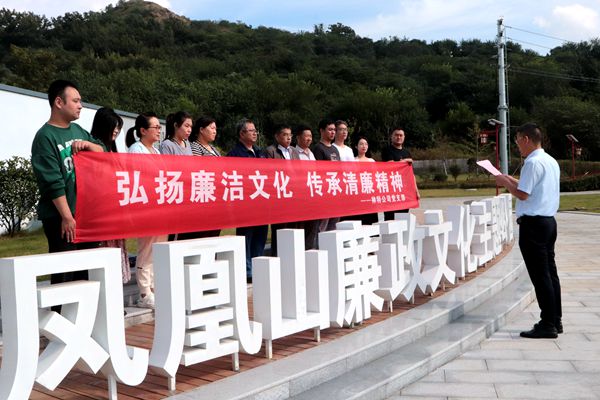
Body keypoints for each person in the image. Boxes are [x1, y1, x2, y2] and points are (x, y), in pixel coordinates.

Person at [31, 79, 105, 290]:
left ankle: (86, 311)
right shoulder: (45, 137)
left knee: (87, 273)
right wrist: (66, 216)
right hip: (61, 218)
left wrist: (89, 144)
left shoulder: (78, 130)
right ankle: (60, 310)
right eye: (75, 101)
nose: (80, 105)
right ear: (58, 102)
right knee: (65, 275)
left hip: (85, 215)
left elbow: (102, 151)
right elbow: (52, 181)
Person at [495, 123, 562, 339]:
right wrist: (508, 179)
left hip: (534, 226)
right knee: (550, 273)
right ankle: (556, 319)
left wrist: (504, 183)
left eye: (517, 141)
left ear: (526, 139)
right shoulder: (550, 160)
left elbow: (523, 194)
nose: (517, 146)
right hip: (548, 222)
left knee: (540, 275)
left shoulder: (532, 163)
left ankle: (547, 323)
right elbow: (530, 187)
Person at [125, 112, 168, 308]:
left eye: (160, 127)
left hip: (159, 204)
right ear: (143, 130)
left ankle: (153, 286)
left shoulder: (156, 151)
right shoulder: (136, 150)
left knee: (158, 247)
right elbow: (139, 178)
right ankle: (144, 292)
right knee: (146, 248)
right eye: (155, 127)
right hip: (145, 205)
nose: (159, 130)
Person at [90, 107, 131, 284]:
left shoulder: (112, 150)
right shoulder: (93, 148)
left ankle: (115, 288)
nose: (116, 131)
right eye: (113, 127)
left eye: (118, 128)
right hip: (102, 213)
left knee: (116, 250)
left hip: (116, 212)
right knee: (105, 252)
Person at [227, 118, 268, 282]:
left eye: (255, 130)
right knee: (246, 237)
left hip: (261, 202)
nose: (255, 133)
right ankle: (247, 270)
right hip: (245, 204)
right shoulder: (234, 154)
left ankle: (258, 266)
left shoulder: (260, 152)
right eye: (251, 131)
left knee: (260, 236)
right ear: (241, 134)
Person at [178, 116, 222, 240]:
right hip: (203, 196)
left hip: (216, 196)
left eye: (215, 129)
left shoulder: (214, 149)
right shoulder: (194, 147)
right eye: (212, 128)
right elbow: (198, 169)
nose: (214, 131)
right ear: (201, 130)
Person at [265, 124, 299, 255]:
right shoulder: (271, 151)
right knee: (279, 228)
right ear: (277, 136)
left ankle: (291, 254)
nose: (288, 138)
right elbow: (269, 172)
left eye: (290, 135)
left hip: (293, 194)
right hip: (279, 195)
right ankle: (277, 255)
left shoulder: (294, 151)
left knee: (293, 227)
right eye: (285, 135)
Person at [381, 127, 420, 220]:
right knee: (390, 218)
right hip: (392, 190)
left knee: (403, 217)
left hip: (405, 190)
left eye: (401, 135)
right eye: (396, 135)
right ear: (391, 137)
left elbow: (411, 174)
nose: (398, 137)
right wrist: (405, 161)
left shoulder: (407, 152)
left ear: (404, 137)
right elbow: (390, 165)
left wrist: (416, 190)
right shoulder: (387, 150)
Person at [313, 118, 341, 234]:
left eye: (334, 130)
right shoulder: (318, 148)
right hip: (325, 192)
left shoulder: (335, 149)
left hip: (335, 190)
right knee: (322, 226)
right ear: (322, 131)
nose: (333, 132)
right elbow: (318, 172)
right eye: (330, 129)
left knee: (334, 225)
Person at [294, 125, 319, 249]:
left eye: (310, 136)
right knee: (300, 227)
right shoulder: (293, 153)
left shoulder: (311, 153)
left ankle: (309, 250)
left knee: (312, 226)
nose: (309, 139)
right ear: (298, 137)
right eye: (306, 136)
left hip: (312, 196)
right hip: (300, 196)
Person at [354, 136, 378, 225]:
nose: (364, 146)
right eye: (361, 144)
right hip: (359, 194)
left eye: (366, 144)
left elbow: (376, 176)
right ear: (356, 146)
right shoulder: (353, 161)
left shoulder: (371, 161)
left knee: (371, 220)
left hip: (370, 193)